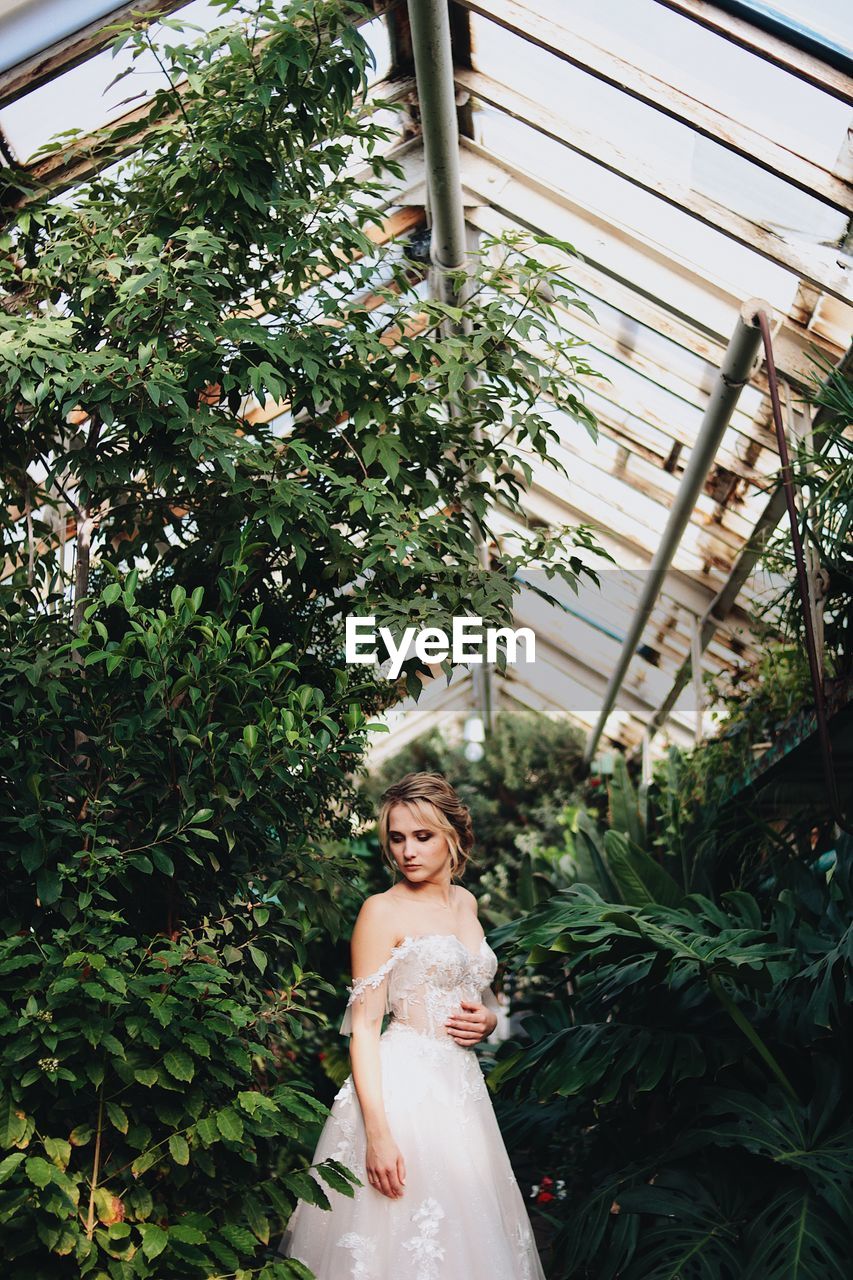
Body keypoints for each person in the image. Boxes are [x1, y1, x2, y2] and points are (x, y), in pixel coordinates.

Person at [278, 771, 547, 1279]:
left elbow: (474, 987)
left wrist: (487, 1020)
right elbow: (364, 1027)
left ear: (453, 836)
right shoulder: (380, 911)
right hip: (403, 1094)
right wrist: (378, 1134)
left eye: (422, 836)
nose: (408, 851)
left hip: (462, 1094)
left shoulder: (465, 903)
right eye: (397, 838)